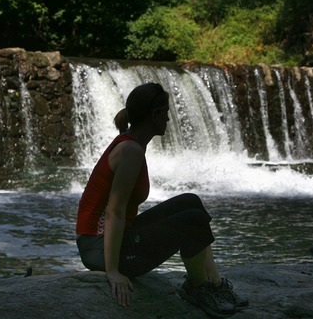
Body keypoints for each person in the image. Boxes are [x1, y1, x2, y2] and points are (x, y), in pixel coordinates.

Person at [75, 82, 248, 317]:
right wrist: (113, 271)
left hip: (109, 240)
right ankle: (197, 289)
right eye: (166, 113)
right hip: (97, 249)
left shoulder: (132, 144)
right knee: (192, 221)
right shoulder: (130, 150)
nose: (168, 119)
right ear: (155, 115)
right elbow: (114, 211)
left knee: (191, 201)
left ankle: (215, 284)